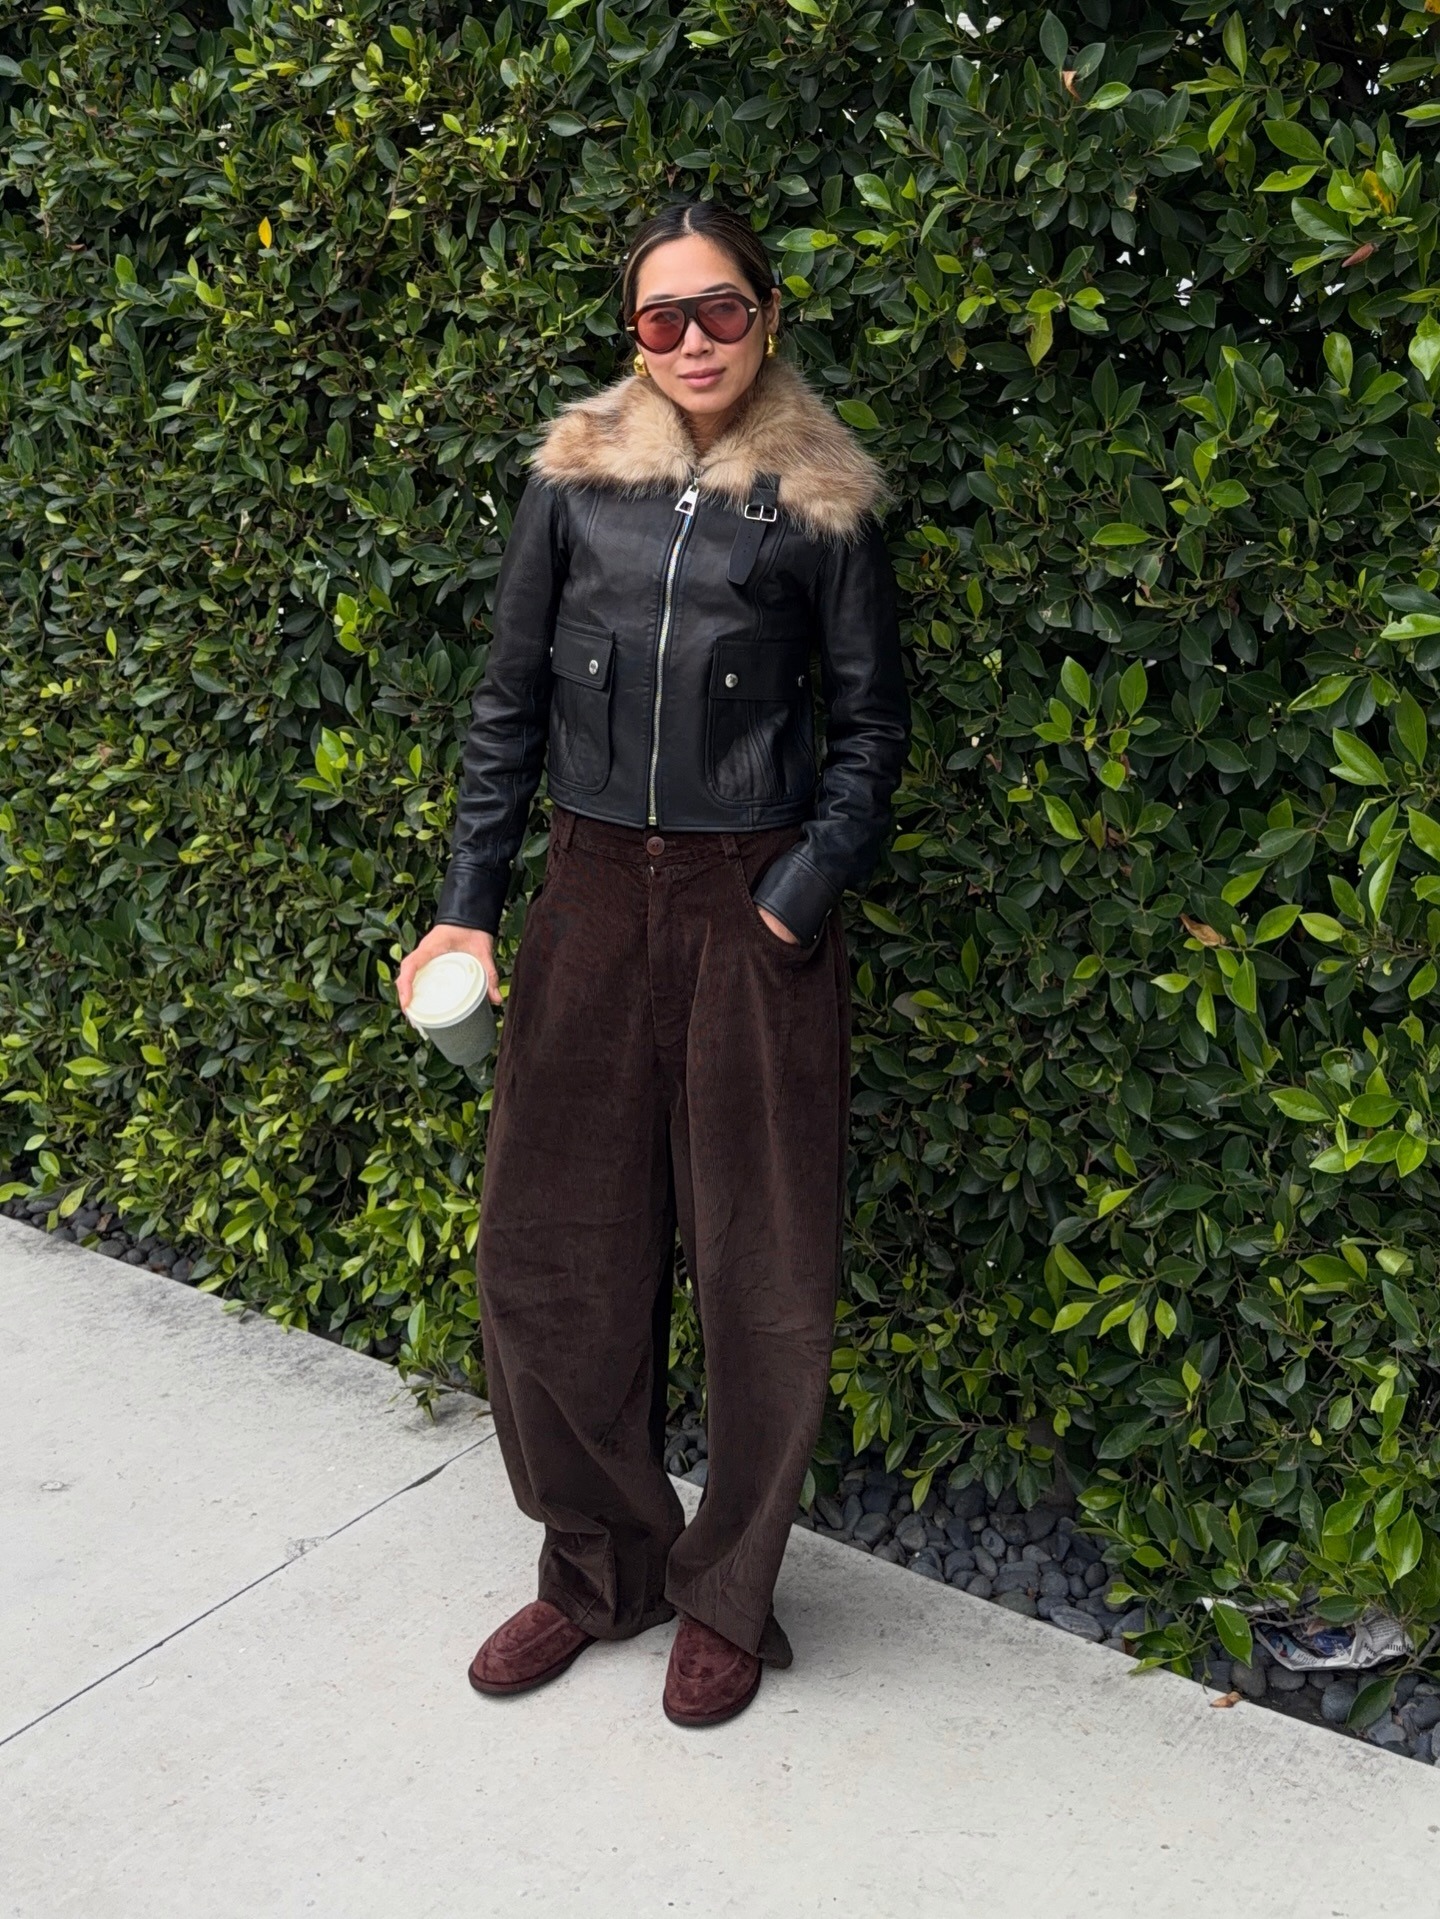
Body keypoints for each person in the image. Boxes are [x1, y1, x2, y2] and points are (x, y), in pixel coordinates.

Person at [397, 200, 910, 1727]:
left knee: (764, 1272)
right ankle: (595, 1567)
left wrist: (795, 893)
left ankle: (728, 1595)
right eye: (659, 318)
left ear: (769, 312)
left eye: (720, 312)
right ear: (630, 331)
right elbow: (503, 711)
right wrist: (468, 904)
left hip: (750, 903)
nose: (691, 342)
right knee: (542, 1251)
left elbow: (874, 733)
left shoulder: (823, 500)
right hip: (588, 897)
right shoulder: (572, 487)